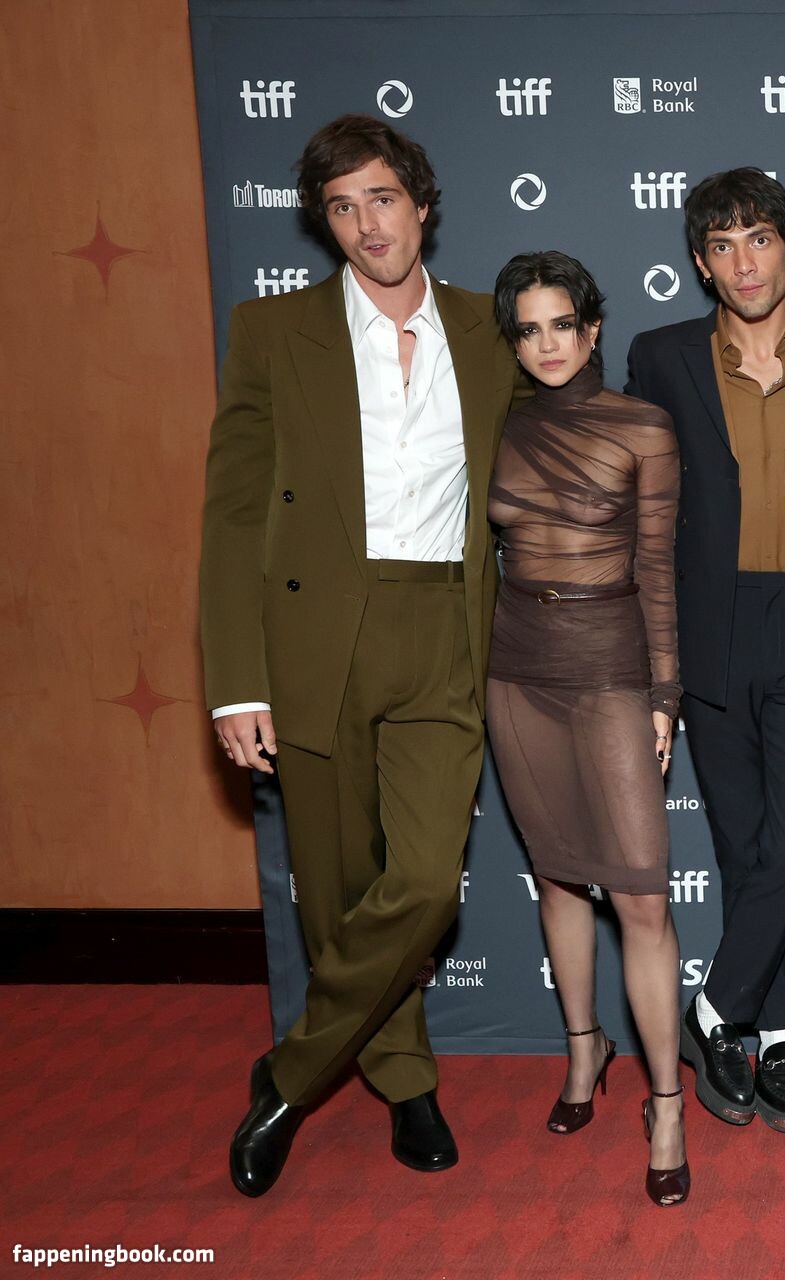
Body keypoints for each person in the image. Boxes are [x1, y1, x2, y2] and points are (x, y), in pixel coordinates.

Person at [202, 115, 518, 1197]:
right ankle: (404, 1074)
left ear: (421, 204)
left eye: (382, 198)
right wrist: (235, 682)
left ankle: (292, 1074)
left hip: (443, 628)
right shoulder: (272, 330)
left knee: (423, 881)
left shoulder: (486, 329)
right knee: (336, 890)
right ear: (324, 223)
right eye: (342, 207)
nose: (367, 225)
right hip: (315, 635)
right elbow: (233, 515)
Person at [624, 169, 785, 1134]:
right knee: (741, 846)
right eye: (723, 246)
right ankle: (774, 1037)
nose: (744, 263)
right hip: (710, 624)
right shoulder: (660, 357)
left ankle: (710, 1013)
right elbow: (641, 499)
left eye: (760, 239)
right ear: (702, 263)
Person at [486, 251, 688, 1207]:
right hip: (515, 668)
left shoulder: (643, 425)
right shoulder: (501, 423)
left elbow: (659, 567)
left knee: (641, 896)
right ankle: (582, 1051)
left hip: (610, 667)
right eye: (528, 330)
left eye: (561, 324)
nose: (547, 345)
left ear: (593, 327)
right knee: (558, 874)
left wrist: (664, 693)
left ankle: (666, 1103)